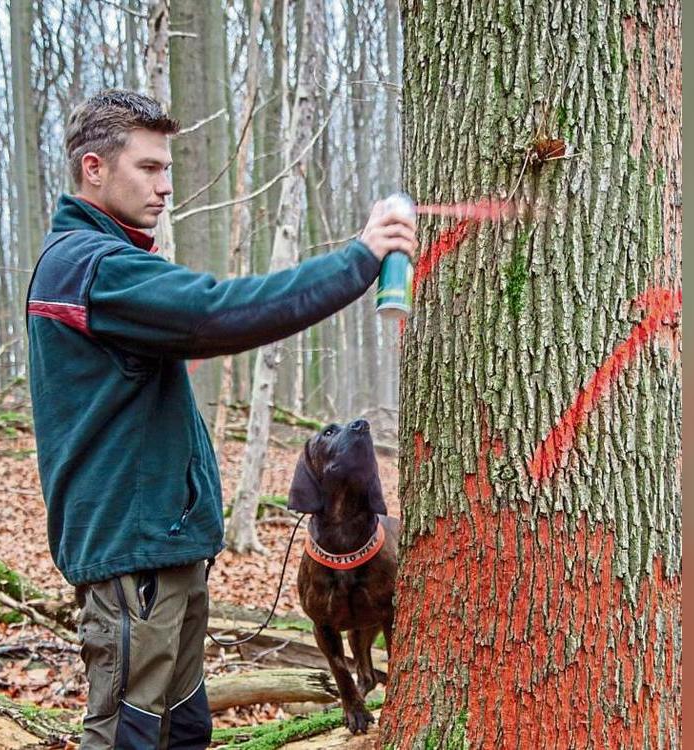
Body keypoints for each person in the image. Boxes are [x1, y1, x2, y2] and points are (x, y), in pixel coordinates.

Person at [25, 89, 417, 750]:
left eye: (168, 169)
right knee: (129, 736)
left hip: (163, 555)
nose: (166, 186)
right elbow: (218, 312)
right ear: (94, 169)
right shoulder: (91, 267)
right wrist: (360, 258)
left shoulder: (105, 268)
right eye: (149, 168)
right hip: (134, 560)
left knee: (183, 731)